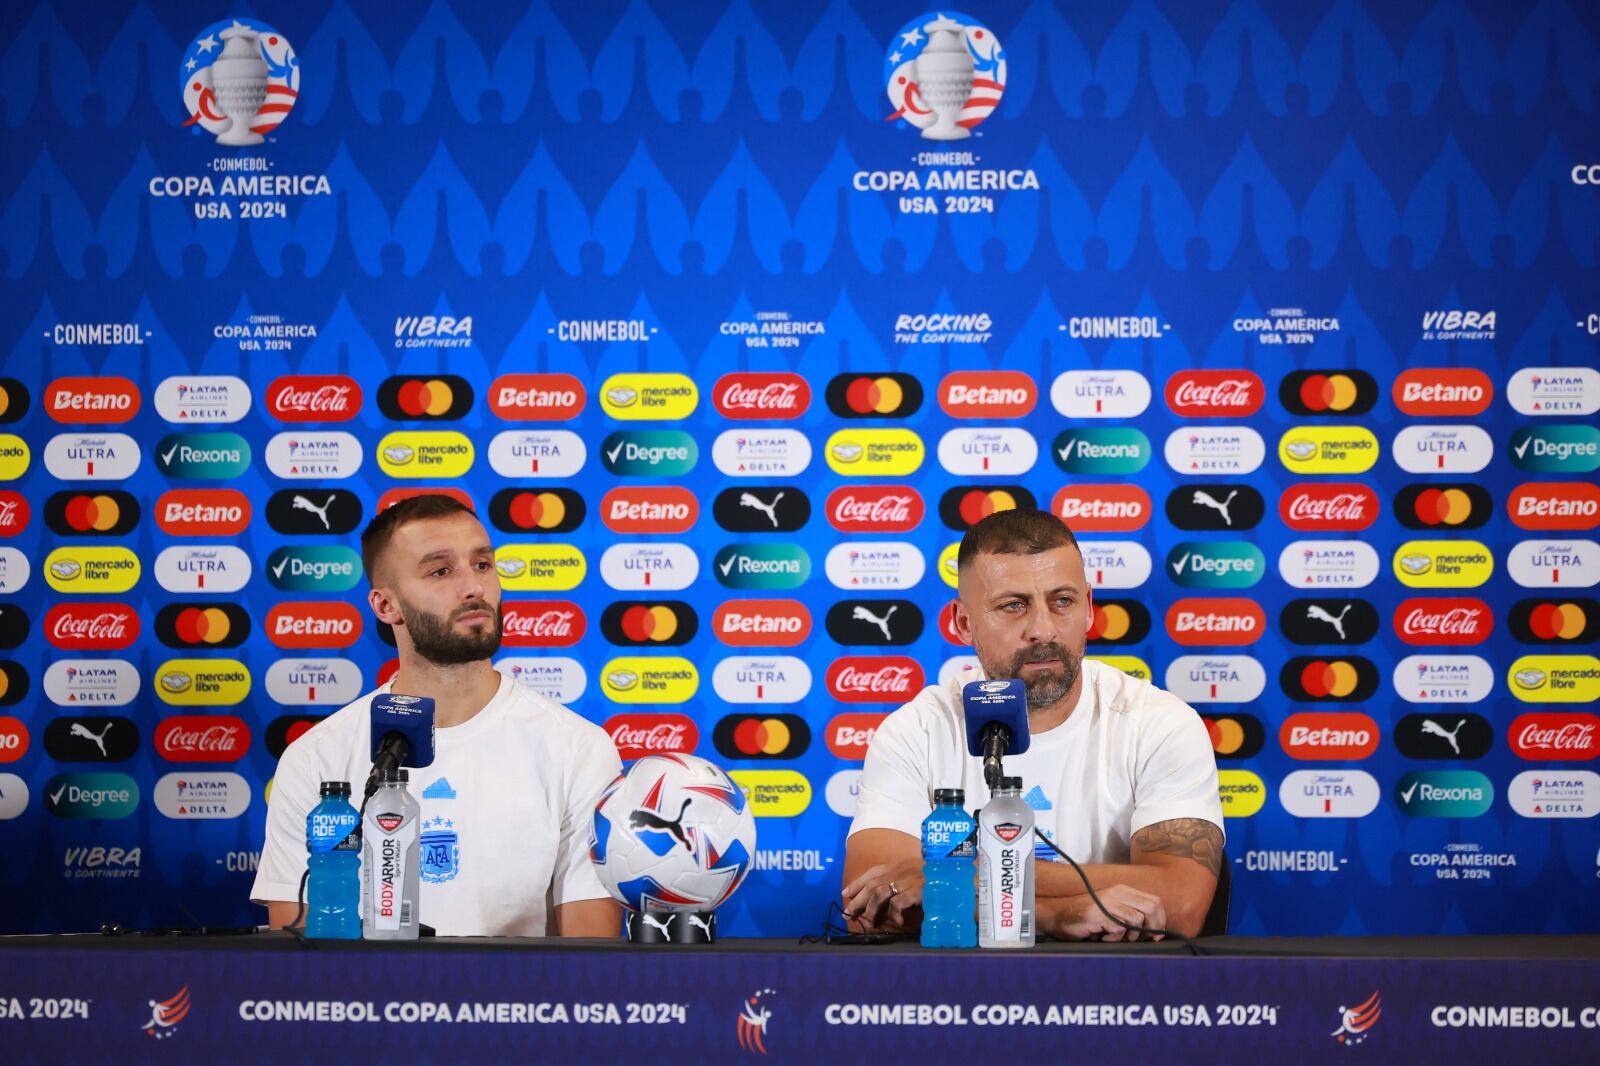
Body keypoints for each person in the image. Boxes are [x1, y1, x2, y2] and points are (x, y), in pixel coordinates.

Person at [842, 508, 1224, 940]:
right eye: (1013, 606)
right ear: (964, 623)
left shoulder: (1160, 724)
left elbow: (1181, 903)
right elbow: (871, 910)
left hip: (1115, 999)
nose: (1043, 629)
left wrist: (961, 878)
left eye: (1063, 601)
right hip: (958, 1001)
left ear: (1089, 608)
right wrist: (1056, 916)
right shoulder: (916, 730)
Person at [251, 493, 622, 936]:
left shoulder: (578, 749)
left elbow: (588, 963)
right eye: (441, 571)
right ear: (386, 606)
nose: (474, 588)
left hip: (517, 1005)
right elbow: (302, 961)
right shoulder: (316, 759)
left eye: (482, 565)